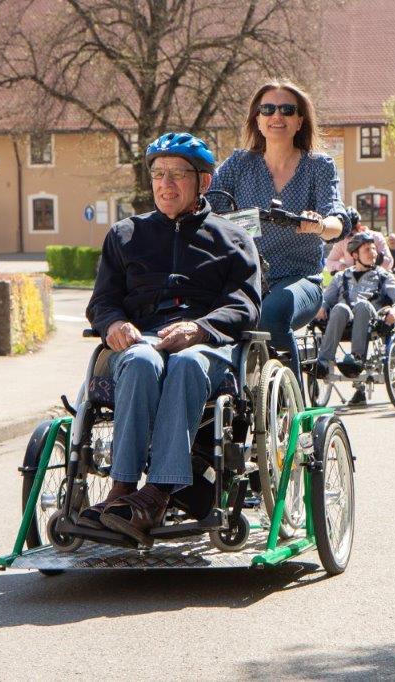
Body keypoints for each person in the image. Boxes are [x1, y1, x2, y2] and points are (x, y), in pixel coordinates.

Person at [82, 132, 262, 546]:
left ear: (204, 181)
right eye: (158, 174)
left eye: (177, 175)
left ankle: (158, 493)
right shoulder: (125, 235)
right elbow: (103, 301)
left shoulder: (233, 239)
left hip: (208, 344)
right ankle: (122, 490)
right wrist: (113, 324)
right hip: (142, 340)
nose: (165, 184)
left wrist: (199, 328)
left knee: (185, 362)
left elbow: (245, 305)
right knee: (144, 361)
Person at [212, 80, 349, 378]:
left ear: (300, 121)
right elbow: (208, 205)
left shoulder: (318, 167)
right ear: (257, 119)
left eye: (287, 110)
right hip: (246, 278)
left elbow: (336, 217)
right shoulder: (238, 164)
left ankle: (293, 403)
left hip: (301, 279)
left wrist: (321, 225)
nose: (277, 116)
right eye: (268, 109)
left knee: (272, 314)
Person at [315, 232, 395, 406]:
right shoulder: (341, 276)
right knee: (340, 307)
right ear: (355, 255)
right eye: (367, 249)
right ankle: (324, 361)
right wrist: (322, 307)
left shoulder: (383, 275)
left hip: (372, 318)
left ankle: (357, 359)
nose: (373, 253)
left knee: (362, 305)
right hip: (345, 318)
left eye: (374, 249)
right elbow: (327, 298)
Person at [325, 207, 392, 273]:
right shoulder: (342, 241)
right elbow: (329, 262)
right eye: (347, 230)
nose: (351, 233)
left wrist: (374, 257)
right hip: (353, 279)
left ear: (359, 224)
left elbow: (390, 262)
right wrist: (341, 266)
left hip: (377, 276)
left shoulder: (376, 237)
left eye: (354, 228)